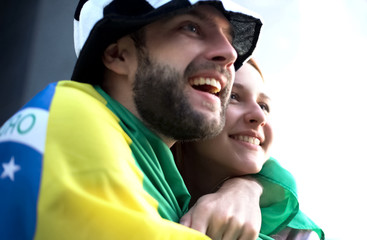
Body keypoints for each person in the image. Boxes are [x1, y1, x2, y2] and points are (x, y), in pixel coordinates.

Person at [0, 0, 264, 239]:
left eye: (228, 38)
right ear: (118, 55)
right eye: (191, 28)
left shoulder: (155, 169)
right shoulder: (73, 112)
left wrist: (248, 187)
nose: (230, 54)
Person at [174, 59, 325, 240]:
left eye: (264, 106)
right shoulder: (140, 176)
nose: (260, 115)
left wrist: (248, 188)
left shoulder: (296, 234)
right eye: (233, 96)